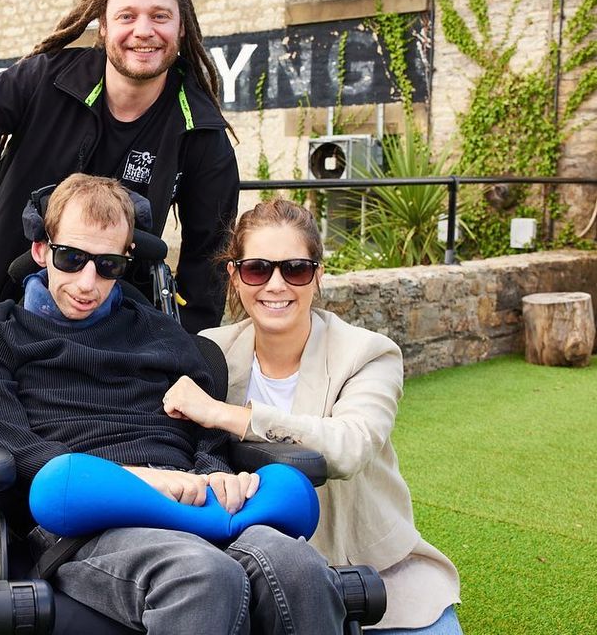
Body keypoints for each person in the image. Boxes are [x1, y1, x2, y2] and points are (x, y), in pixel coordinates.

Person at [0, 0, 240, 608]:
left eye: (159, 16)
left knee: (87, 410)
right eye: (128, 15)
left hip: (115, 305)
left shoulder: (199, 129)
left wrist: (190, 359)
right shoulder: (47, 77)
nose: (144, 30)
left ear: (181, 28)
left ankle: (98, 528)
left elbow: (205, 258)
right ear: (104, 24)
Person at [0, 174, 347, 634]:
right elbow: (19, 447)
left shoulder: (162, 334)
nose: (88, 282)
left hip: (193, 501)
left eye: (108, 265)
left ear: (127, 260)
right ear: (42, 249)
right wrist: (140, 480)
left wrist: (211, 472)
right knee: (201, 574)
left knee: (296, 565)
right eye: (71, 258)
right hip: (88, 516)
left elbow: (206, 426)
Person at [163, 198, 463, 634]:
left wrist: (228, 415)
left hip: (369, 567)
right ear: (235, 276)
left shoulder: (368, 353)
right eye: (257, 269)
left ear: (317, 276)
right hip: (253, 569)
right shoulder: (211, 351)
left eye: (296, 269)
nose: (276, 285)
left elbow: (347, 447)